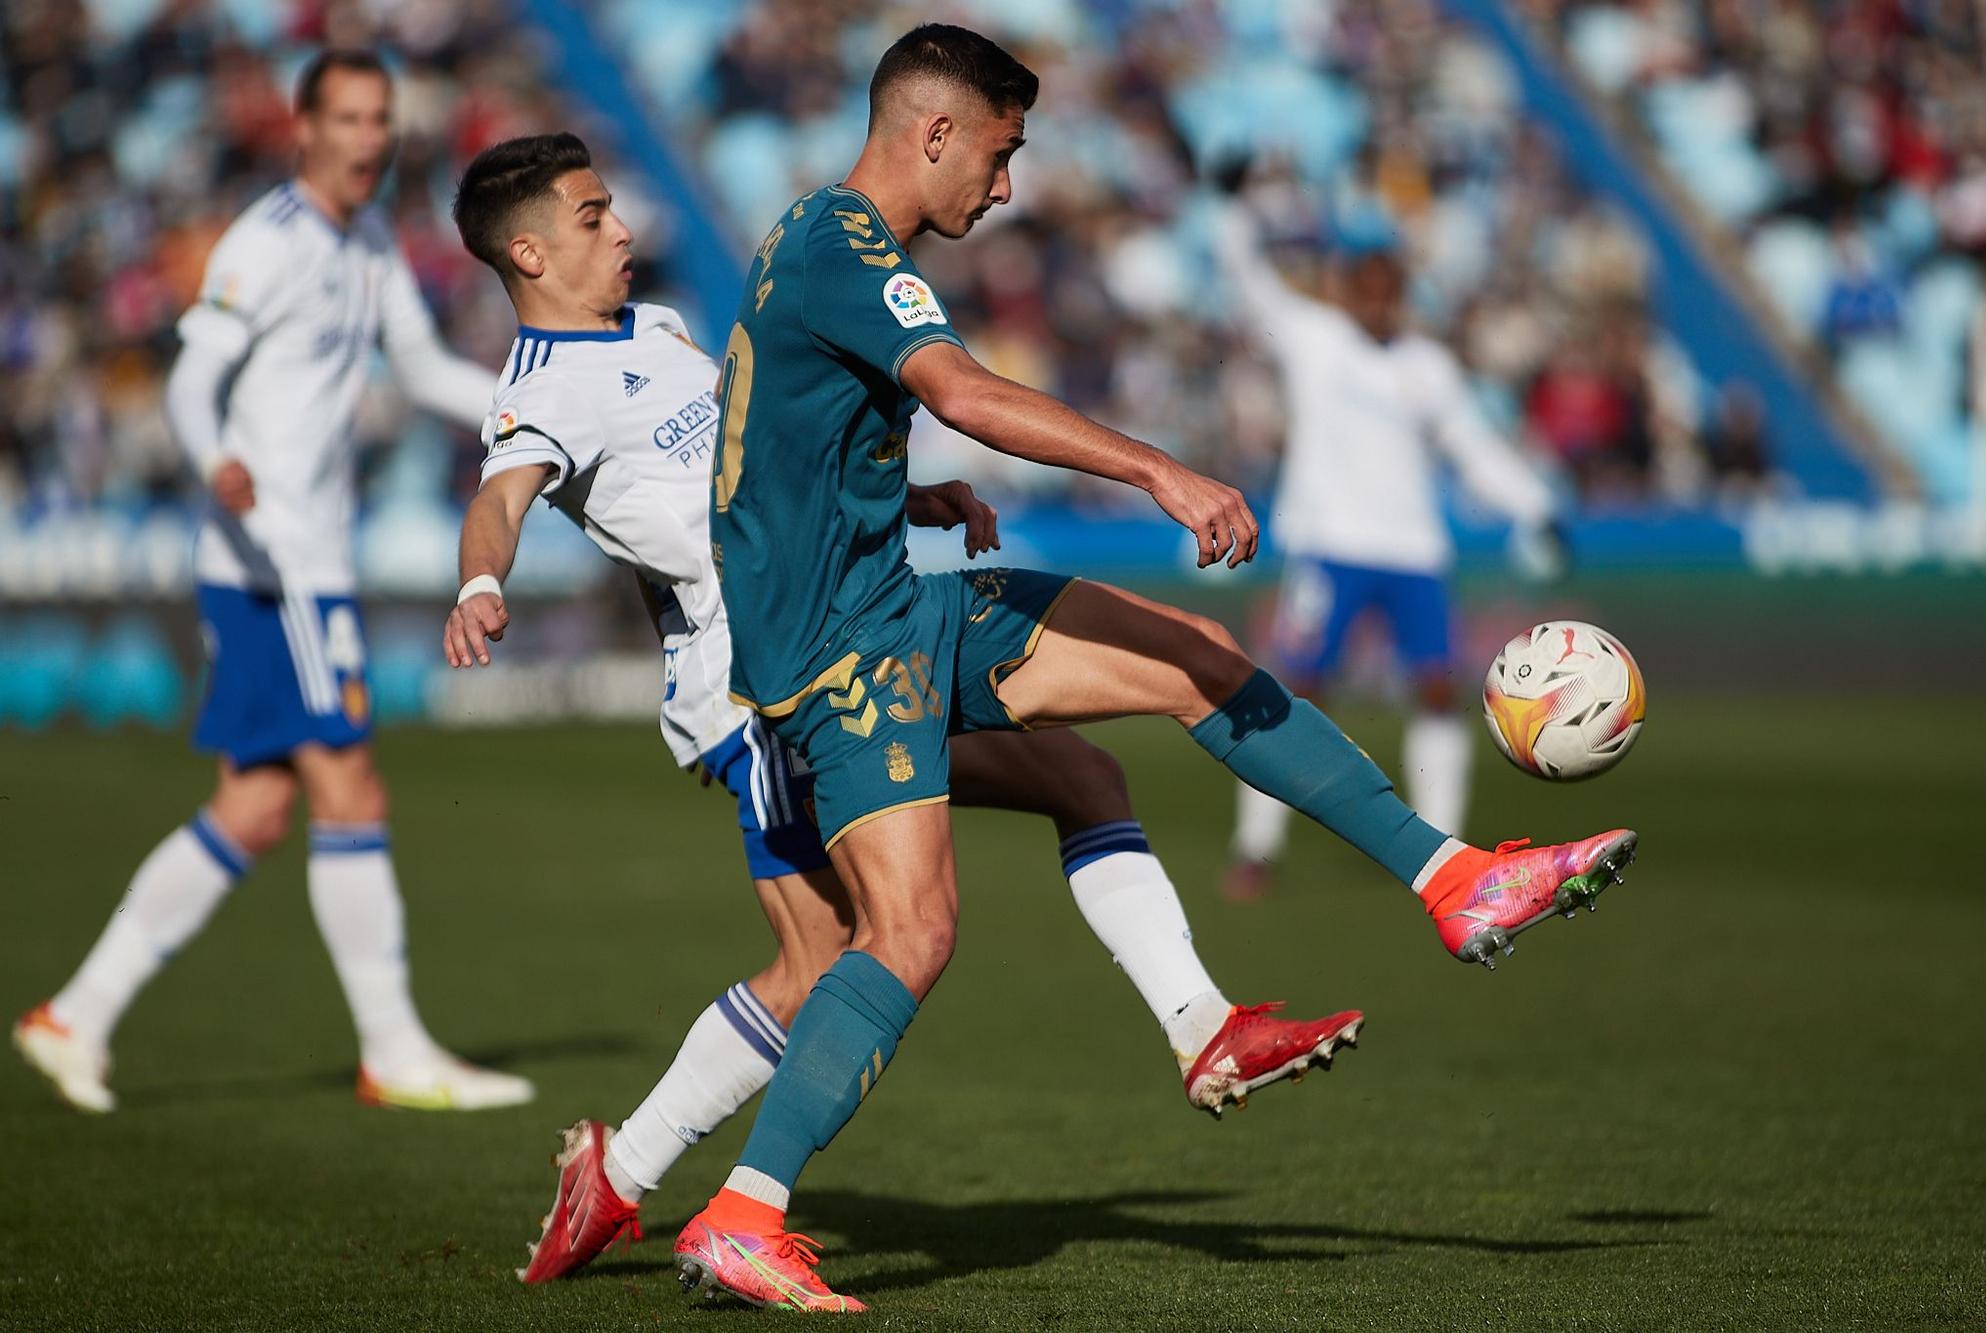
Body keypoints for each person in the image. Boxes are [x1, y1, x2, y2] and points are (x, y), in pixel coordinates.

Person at [676, 23, 1638, 1312]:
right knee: (908, 932)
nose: (1006, 187)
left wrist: (908, 502)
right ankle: (742, 1215)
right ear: (936, 131)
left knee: (1191, 662)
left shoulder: (822, 245)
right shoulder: (842, 242)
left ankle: (1451, 881)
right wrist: (1157, 469)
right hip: (843, 655)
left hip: (888, 602)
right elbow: (957, 388)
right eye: (1001, 154)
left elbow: (779, 449)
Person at [439, 133, 1368, 1282]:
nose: (621, 229)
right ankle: (653, 1184)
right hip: (755, 687)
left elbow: (755, 462)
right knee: (857, 950)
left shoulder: (660, 331)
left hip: (841, 631)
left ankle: (1199, 1025)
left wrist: (906, 492)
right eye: (590, 218)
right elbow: (498, 498)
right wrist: (482, 580)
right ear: (527, 250)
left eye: (613, 208)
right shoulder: (537, 392)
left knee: (1056, 795)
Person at [11, 51, 531, 1114]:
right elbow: (196, 380)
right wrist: (217, 466)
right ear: (303, 129)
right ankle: (392, 1049)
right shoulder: (269, 241)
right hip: (276, 561)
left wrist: (534, 408)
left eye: (380, 117)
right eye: (345, 117)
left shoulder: (372, 240)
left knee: (252, 808)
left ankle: (76, 1014)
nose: (368, 137)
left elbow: (426, 369)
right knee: (352, 786)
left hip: (300, 561)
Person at [1209, 197, 1563, 902]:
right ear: (1345, 289)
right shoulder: (1313, 337)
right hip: (1329, 547)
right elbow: (1251, 283)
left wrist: (1537, 506)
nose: (1376, 301)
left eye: (1388, 289)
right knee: (1294, 695)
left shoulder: (1427, 366)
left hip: (1412, 551)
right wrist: (1233, 212)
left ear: (1402, 294)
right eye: (1364, 287)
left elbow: (1475, 449)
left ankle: (1444, 855)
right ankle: (1257, 847)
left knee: (1438, 690)